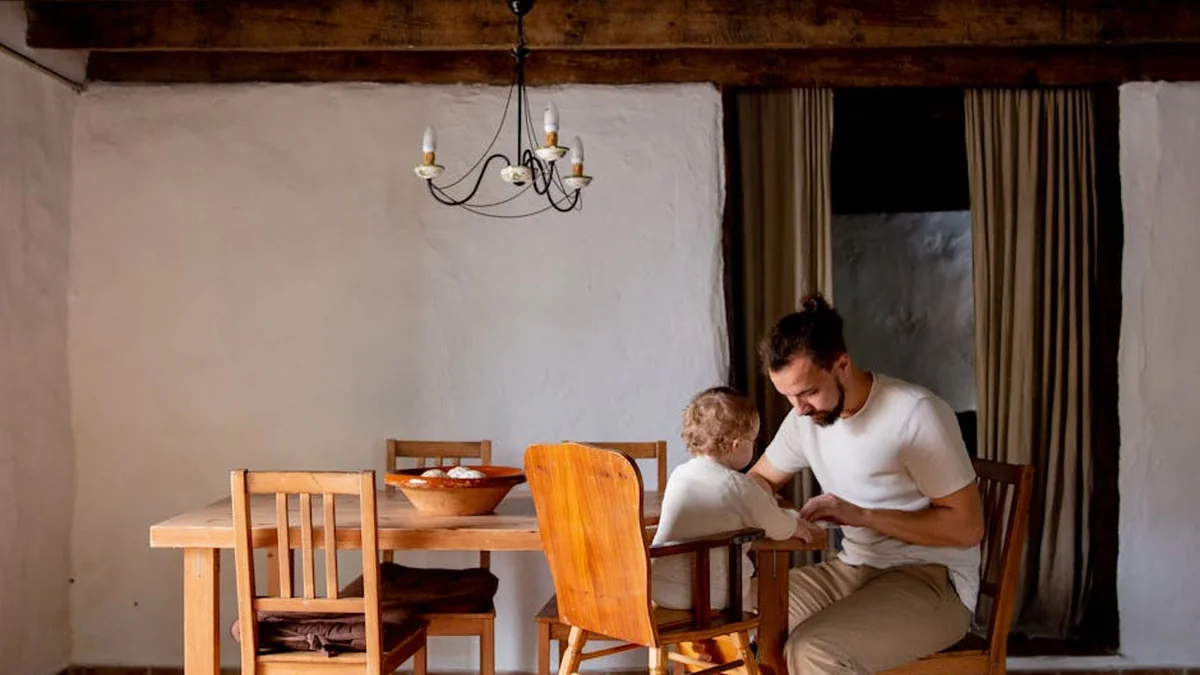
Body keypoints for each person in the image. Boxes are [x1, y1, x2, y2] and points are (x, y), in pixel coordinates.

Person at [747, 293, 984, 675]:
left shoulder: (915, 414)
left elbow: (967, 528)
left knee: (813, 650)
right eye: (788, 396)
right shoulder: (804, 419)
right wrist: (770, 509)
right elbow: (758, 479)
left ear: (841, 364)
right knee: (735, 613)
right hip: (852, 568)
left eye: (807, 392)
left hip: (932, 578)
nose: (799, 408)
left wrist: (861, 515)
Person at [651, 386, 821, 613]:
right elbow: (775, 525)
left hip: (658, 587)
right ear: (737, 445)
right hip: (707, 593)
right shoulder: (737, 485)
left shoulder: (679, 475)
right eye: (753, 441)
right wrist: (795, 525)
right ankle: (747, 632)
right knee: (749, 597)